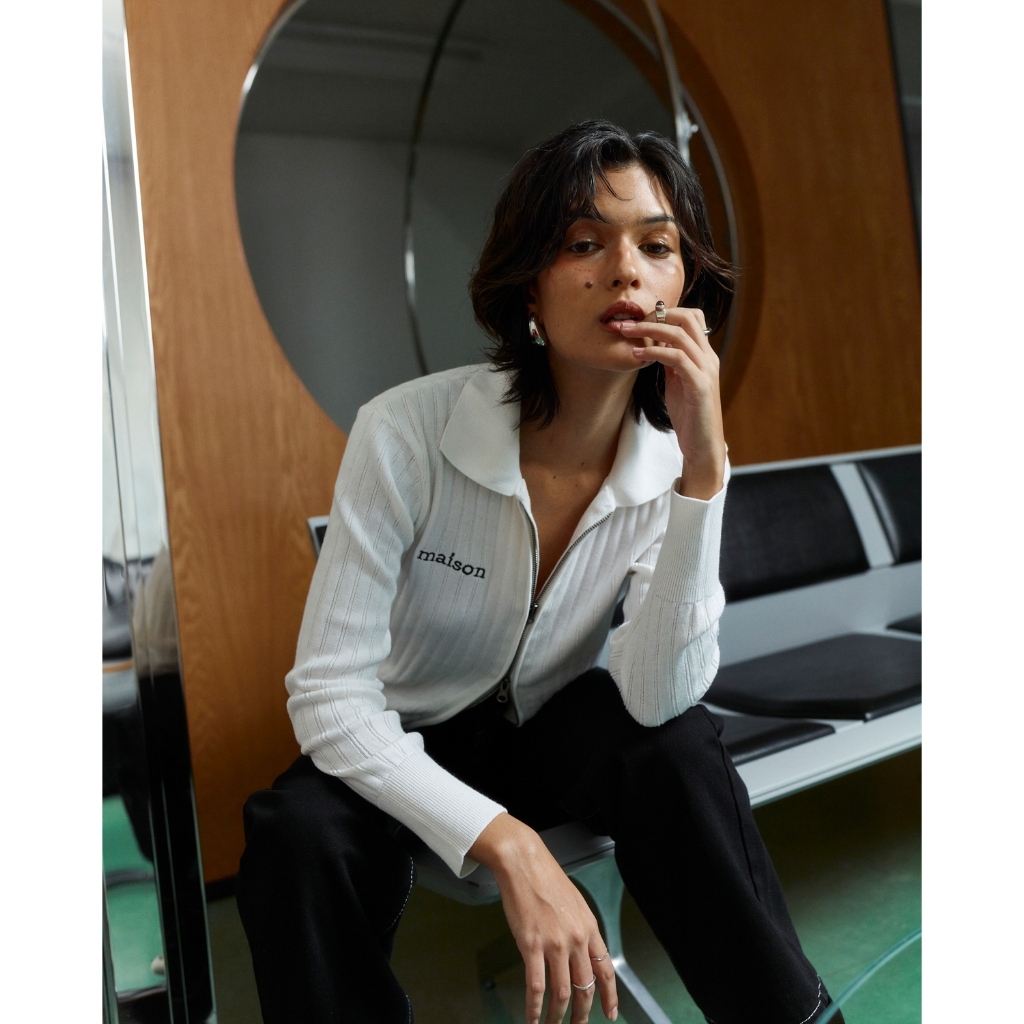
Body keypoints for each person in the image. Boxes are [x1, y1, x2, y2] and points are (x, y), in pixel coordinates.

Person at [237, 120, 840, 1024]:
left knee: (676, 742)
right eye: (584, 244)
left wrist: (703, 474)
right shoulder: (406, 431)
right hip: (400, 744)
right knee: (295, 834)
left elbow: (656, 697)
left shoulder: (673, 462)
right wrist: (509, 845)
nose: (626, 273)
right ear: (529, 283)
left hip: (542, 740)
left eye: (657, 246)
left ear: (685, 286)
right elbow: (329, 696)